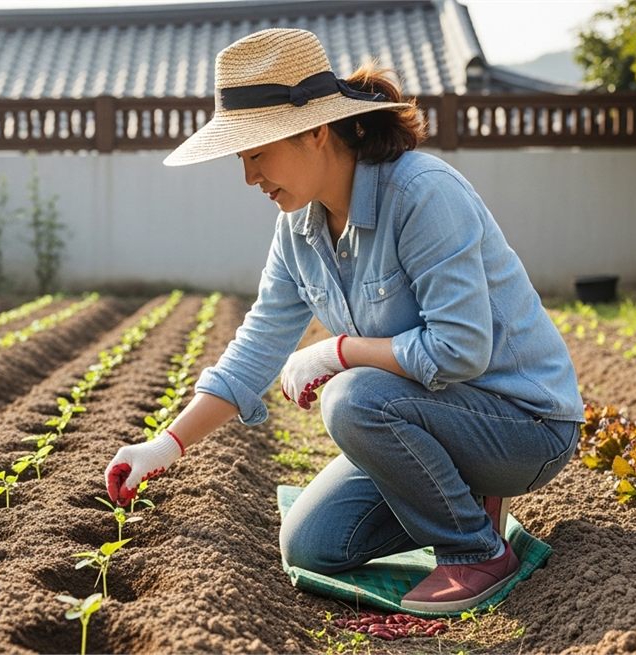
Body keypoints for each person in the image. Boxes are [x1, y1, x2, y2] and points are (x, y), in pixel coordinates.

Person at [102, 28, 583, 612]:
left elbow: (460, 350)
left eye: (257, 154)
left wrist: (338, 352)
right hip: (431, 421)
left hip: (521, 426)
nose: (249, 177)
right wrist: (164, 446)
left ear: (315, 132)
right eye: (242, 159)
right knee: (313, 545)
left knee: (351, 398)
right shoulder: (298, 229)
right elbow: (258, 343)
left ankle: (476, 551)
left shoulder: (423, 194)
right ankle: (465, 496)